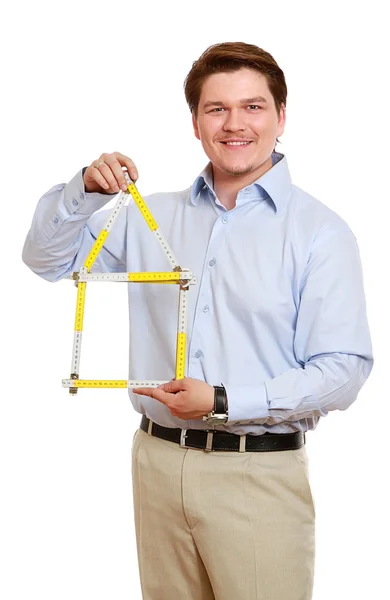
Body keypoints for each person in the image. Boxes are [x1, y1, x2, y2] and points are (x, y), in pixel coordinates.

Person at [22, 42, 374, 600]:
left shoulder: (319, 233)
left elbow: (343, 371)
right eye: (217, 109)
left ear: (282, 117)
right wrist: (84, 191)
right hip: (156, 463)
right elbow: (46, 259)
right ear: (195, 123)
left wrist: (224, 400)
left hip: (257, 478)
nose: (235, 124)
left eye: (253, 107)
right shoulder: (150, 216)